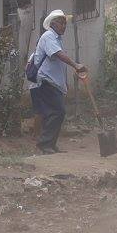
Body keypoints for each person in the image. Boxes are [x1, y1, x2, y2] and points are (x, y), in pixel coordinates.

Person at [29, 9, 87, 154]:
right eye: (61, 23)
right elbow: (58, 55)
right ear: (53, 24)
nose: (64, 25)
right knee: (57, 112)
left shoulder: (56, 39)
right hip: (46, 81)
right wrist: (76, 65)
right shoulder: (49, 36)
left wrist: (64, 83)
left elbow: (57, 64)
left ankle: (50, 144)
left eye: (65, 23)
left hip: (54, 82)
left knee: (56, 112)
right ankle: (44, 144)